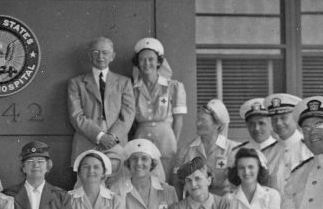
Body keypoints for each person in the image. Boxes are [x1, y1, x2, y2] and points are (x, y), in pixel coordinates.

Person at [67, 36, 135, 163]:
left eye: (105, 53)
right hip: (87, 141)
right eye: (96, 52)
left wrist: (113, 137)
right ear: (90, 55)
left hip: (115, 143)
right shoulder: (76, 83)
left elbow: (128, 113)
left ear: (112, 56)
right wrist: (99, 136)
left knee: (117, 179)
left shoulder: (124, 82)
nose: (100, 57)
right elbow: (75, 115)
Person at [128, 37, 186, 177]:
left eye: (151, 59)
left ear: (159, 61)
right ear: (137, 63)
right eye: (142, 59)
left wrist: (173, 143)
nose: (147, 63)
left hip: (166, 140)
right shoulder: (132, 88)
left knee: (166, 180)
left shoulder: (173, 86)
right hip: (141, 138)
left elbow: (178, 120)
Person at [175, 99, 239, 196]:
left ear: (217, 124)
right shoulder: (186, 149)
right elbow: (177, 182)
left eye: (203, 120)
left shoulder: (232, 149)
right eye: (197, 119)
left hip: (221, 204)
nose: (198, 123)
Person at [265, 94, 311, 193]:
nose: (278, 123)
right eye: (274, 119)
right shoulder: (266, 153)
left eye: (283, 117)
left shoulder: (311, 149)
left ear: (296, 118)